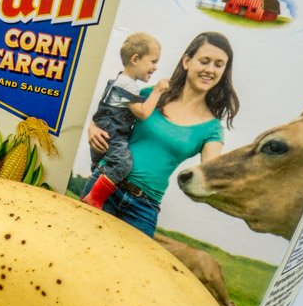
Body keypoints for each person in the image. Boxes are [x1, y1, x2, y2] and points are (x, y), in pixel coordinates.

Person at [84, 31, 239, 237]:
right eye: (204, 61)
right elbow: (109, 112)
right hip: (103, 188)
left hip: (142, 208)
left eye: (219, 65)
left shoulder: (211, 129)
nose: (210, 69)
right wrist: (92, 127)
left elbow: (212, 175)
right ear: (186, 61)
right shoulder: (150, 95)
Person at [81, 32, 168, 208]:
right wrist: (157, 91)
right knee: (122, 164)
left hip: (103, 129)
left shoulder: (119, 79)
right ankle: (94, 198)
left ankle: (93, 189)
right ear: (135, 59)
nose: (156, 67)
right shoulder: (128, 84)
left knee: (101, 167)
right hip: (113, 133)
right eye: (153, 61)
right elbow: (142, 113)